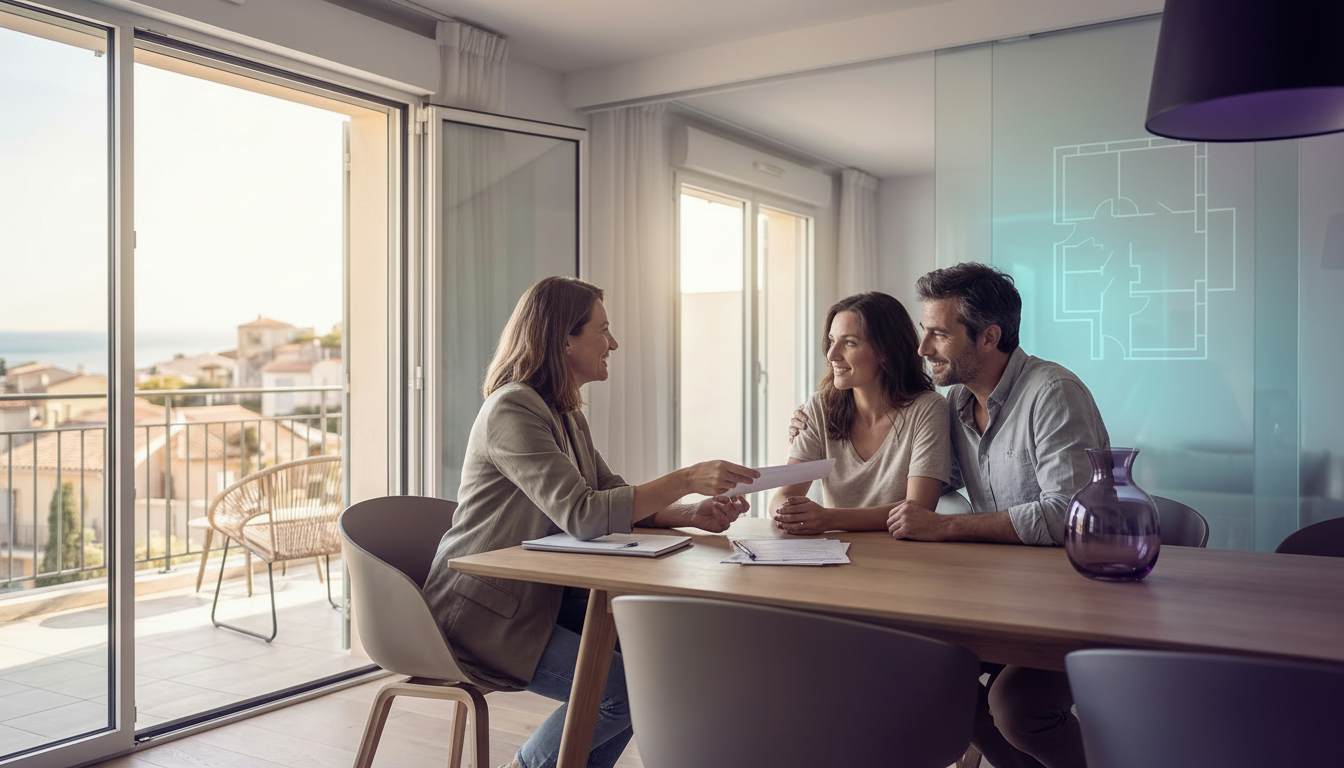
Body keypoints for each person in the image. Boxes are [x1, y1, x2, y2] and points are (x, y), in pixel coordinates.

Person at [422, 275, 757, 768]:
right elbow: (584, 515)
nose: (613, 343)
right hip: (483, 614)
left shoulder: (564, 413)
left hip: (541, 601)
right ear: (564, 339)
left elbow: (608, 495)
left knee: (657, 665)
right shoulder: (513, 408)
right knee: (624, 692)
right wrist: (686, 478)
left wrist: (692, 513)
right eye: (603, 330)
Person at [791, 264, 1107, 768]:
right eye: (923, 331)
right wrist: (822, 419)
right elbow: (926, 473)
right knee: (924, 672)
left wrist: (945, 525)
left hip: (1076, 599)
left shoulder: (1051, 393)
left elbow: (1064, 516)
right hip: (1012, 594)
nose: (923, 348)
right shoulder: (959, 402)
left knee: (1014, 707)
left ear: (988, 337)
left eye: (938, 333)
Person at [771, 292, 949, 535]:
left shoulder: (928, 409)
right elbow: (783, 494)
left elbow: (918, 508)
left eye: (850, 343)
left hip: (903, 556)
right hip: (835, 556)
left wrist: (828, 519)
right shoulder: (818, 408)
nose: (832, 355)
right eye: (832, 340)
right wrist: (789, 513)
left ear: (885, 351)